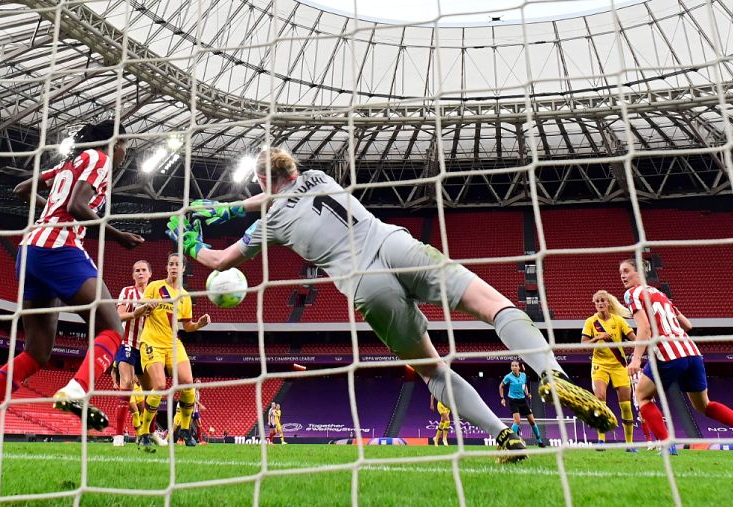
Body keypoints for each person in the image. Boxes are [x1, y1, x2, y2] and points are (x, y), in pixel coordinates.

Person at [167, 147, 616, 461]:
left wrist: (191, 239)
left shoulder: (274, 222)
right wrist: (235, 207)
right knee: (493, 305)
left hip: (366, 288)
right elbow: (280, 189)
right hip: (398, 247)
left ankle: (502, 436)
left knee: (433, 369)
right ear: (294, 170)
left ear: (263, 180)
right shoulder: (320, 178)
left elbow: (220, 259)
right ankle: (551, 375)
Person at [0, 120, 143, 448]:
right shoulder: (99, 160)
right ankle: (76, 391)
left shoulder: (69, 162)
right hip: (58, 246)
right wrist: (117, 235)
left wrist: (48, 210)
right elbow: (77, 206)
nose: (124, 153)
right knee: (113, 328)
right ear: (112, 143)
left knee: (36, 353)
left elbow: (22, 189)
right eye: (123, 145)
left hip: (29, 248)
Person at [620, 259, 733, 456]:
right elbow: (687, 325)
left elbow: (645, 327)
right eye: (620, 272)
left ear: (639, 273)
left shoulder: (632, 293)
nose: (622, 276)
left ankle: (667, 445)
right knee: (704, 405)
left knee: (642, 396)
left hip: (669, 353)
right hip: (691, 352)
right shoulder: (661, 295)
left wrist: (636, 358)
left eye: (626, 271)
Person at [135, 253, 210, 451]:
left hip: (173, 343)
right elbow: (138, 310)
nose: (173, 267)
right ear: (166, 267)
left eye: (177, 264)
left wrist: (199, 324)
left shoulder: (185, 297)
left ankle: (185, 431)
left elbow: (187, 327)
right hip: (151, 341)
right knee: (159, 384)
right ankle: (144, 432)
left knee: (188, 383)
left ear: (183, 269)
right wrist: (145, 307)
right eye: (170, 264)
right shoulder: (154, 287)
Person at [582, 290, 637, 452]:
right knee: (600, 399)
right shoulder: (590, 322)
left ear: (608, 303)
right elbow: (583, 344)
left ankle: (630, 444)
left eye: (602, 301)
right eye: (597, 301)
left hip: (619, 365)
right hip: (600, 365)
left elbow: (634, 339)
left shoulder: (618, 321)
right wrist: (597, 338)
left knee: (626, 405)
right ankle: (601, 440)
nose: (599, 303)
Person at [112, 260, 155, 447]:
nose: (140, 273)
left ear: (150, 274)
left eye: (143, 270)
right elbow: (118, 315)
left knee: (152, 391)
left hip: (146, 347)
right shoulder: (127, 292)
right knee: (127, 384)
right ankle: (118, 436)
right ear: (132, 275)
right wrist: (136, 314)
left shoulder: (156, 295)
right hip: (127, 343)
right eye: (136, 270)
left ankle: (149, 434)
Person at [500, 361, 545, 448]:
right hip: (513, 401)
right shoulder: (508, 377)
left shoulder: (523, 375)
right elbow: (501, 386)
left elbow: (524, 386)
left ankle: (539, 441)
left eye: (515, 366)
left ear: (519, 367)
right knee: (517, 421)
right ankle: (511, 442)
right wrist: (502, 398)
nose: (514, 367)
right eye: (512, 366)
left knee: (532, 421)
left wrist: (527, 393)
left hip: (523, 401)